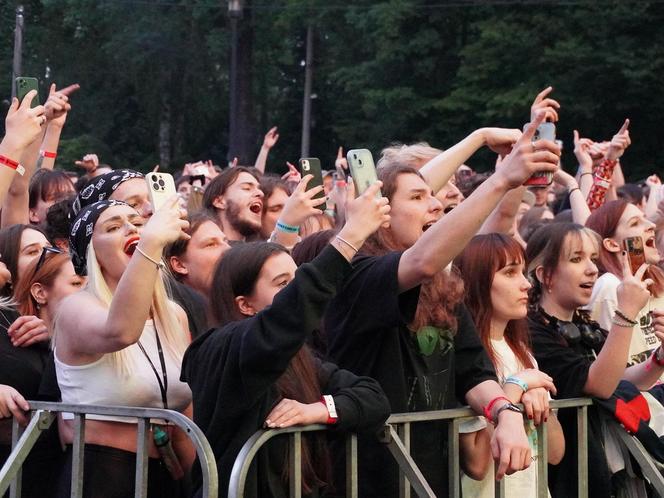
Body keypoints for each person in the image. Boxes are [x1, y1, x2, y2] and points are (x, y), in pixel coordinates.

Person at [323, 112, 561, 497]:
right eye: (418, 198)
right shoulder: (355, 275)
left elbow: (473, 373)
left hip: (433, 478)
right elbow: (422, 261)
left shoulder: (444, 285)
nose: (435, 206)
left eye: (432, 196)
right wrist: (501, 179)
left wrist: (505, 412)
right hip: (370, 478)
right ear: (380, 213)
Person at [181, 181, 392, 498]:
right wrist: (350, 237)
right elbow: (290, 313)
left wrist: (319, 410)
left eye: (297, 278)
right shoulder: (219, 347)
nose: (294, 290)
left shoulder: (298, 357)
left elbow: (374, 398)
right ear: (244, 304)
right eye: (283, 283)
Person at [54, 198, 194, 498]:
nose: (131, 228)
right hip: (101, 476)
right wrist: (150, 242)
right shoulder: (76, 307)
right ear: (94, 255)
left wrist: (196, 477)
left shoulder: (174, 315)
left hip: (166, 476)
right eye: (114, 227)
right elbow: (120, 331)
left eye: (139, 223)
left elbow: (185, 411)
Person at [525, 222, 662, 498]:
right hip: (567, 479)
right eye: (576, 259)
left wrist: (658, 360)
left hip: (606, 470)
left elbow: (619, 379)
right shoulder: (531, 331)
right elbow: (599, 385)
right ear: (545, 275)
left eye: (593, 259)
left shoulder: (584, 325)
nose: (591, 269)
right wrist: (626, 312)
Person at [455, 233, 564, 497]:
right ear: (476, 282)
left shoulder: (522, 352)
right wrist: (514, 392)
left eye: (522, 272)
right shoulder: (465, 360)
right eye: (509, 273)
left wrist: (540, 404)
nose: (526, 284)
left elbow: (555, 453)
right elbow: (478, 464)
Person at [585, 199, 664, 365]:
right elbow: (612, 371)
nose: (651, 225)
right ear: (612, 244)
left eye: (645, 219)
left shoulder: (657, 278)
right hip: (637, 389)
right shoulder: (610, 286)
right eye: (635, 223)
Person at [165, 211, 230, 329]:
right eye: (211, 244)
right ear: (179, 265)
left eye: (226, 241)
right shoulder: (172, 322)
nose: (228, 249)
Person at [202, 166, 264, 242]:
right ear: (219, 202)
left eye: (259, 189)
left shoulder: (262, 253)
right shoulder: (202, 252)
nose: (261, 193)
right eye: (247, 188)